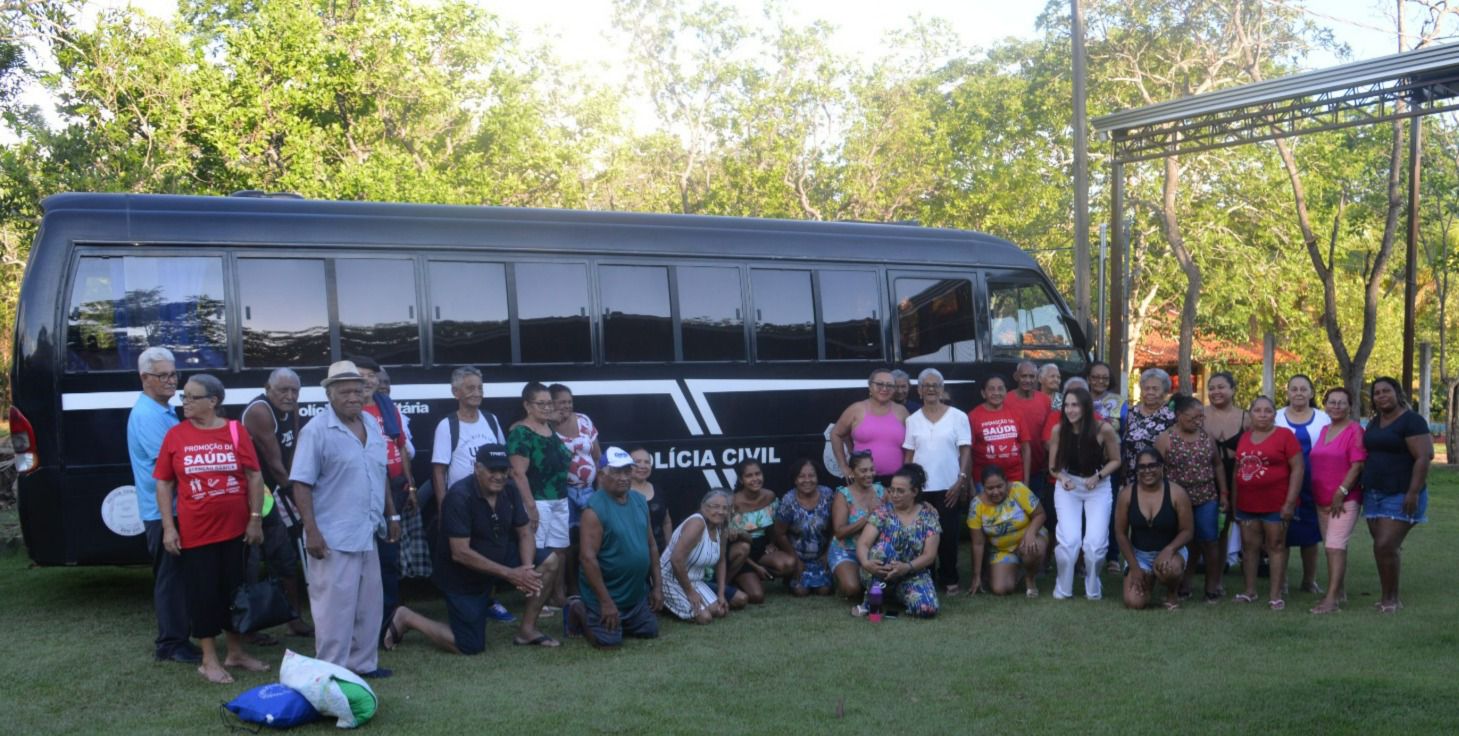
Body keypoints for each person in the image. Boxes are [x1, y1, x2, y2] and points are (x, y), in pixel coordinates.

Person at [384, 444, 563, 653]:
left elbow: (524, 532)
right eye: (492, 470)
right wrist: (512, 574)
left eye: (503, 470)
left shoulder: (510, 489)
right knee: (468, 646)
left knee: (550, 561)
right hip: (462, 573)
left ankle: (528, 630)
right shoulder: (459, 496)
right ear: (477, 468)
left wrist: (526, 569)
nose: (498, 476)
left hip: (500, 556)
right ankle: (407, 617)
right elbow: (460, 553)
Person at [153, 374, 269, 683]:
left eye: (192, 397)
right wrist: (168, 528)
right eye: (184, 397)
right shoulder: (176, 436)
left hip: (235, 531)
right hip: (196, 533)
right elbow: (164, 483)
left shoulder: (235, 431)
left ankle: (236, 652)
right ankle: (208, 659)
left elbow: (254, 476)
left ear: (213, 401)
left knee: (234, 592)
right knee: (203, 594)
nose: (185, 402)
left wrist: (254, 518)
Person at [291, 360, 400, 678]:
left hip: (367, 530)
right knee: (334, 610)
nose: (354, 396)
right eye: (345, 391)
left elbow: (379, 472)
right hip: (332, 535)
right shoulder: (316, 431)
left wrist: (390, 512)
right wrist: (310, 530)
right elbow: (301, 483)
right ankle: (332, 671)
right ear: (330, 394)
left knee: (369, 606)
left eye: (358, 389)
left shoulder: (371, 423)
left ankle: (363, 666)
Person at [125, 347, 198, 664]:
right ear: (145, 378)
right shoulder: (148, 415)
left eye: (173, 374)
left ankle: (180, 638)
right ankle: (170, 644)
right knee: (170, 579)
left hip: (175, 509)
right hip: (163, 512)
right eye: (163, 376)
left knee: (180, 577)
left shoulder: (163, 409)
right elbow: (172, 467)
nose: (172, 382)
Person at [429, 366, 513, 623]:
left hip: (491, 501)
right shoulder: (447, 426)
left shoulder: (490, 420)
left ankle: (491, 599)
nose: (477, 393)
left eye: (479, 387)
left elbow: (501, 456)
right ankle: (471, 601)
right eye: (470, 388)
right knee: (467, 553)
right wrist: (444, 507)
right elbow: (439, 470)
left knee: (492, 549)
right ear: (456, 392)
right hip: (463, 502)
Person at [567, 447, 664, 648]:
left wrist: (658, 587)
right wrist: (605, 602)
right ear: (602, 475)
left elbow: (651, 545)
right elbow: (587, 559)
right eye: (616, 472)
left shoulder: (639, 500)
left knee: (650, 631)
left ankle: (624, 618)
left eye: (627, 471)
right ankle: (579, 609)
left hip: (634, 596)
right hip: (607, 596)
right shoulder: (593, 510)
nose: (623, 477)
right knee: (608, 643)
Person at [241, 367, 312, 638]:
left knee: (285, 557)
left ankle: (293, 620)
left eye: (295, 390)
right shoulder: (260, 412)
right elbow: (275, 465)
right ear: (268, 389)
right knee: (253, 559)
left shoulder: (292, 407)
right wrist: (302, 503)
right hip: (256, 495)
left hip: (277, 491)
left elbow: (292, 454)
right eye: (283, 390)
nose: (290, 395)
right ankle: (249, 625)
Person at [1362, 377, 1435, 614]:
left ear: (1397, 393)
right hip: (1373, 493)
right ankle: (1387, 596)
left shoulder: (1412, 421)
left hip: (1401, 493)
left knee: (1385, 545)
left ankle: (1391, 600)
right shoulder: (1375, 422)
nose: (1381, 396)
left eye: (1386, 391)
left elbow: (1424, 457)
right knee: (1384, 548)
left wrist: (1413, 492)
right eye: (1377, 393)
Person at [900, 368, 971, 594]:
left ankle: (949, 577)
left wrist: (961, 481)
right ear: (919, 391)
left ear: (942, 389)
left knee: (949, 535)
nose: (931, 389)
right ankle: (926, 578)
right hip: (921, 490)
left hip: (949, 487)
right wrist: (909, 487)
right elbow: (909, 456)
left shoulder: (959, 416)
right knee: (923, 537)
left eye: (936, 385)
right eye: (926, 386)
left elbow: (965, 450)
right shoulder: (912, 420)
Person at [1047, 387, 1121, 601]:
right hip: (1069, 486)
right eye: (1067, 405)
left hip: (1097, 486)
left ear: (1086, 407)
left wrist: (1098, 477)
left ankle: (1093, 586)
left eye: (1075, 405)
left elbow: (1116, 460)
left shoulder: (1103, 429)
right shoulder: (1059, 431)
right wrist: (1062, 478)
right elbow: (1053, 466)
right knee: (1069, 541)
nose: (1070, 410)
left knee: (1095, 545)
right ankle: (1063, 588)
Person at [1154, 394, 1229, 602]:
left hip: (1206, 496)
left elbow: (1217, 465)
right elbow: (1155, 469)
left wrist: (1223, 492)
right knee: (1184, 542)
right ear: (1179, 415)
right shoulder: (1165, 438)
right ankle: (1183, 583)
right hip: (1177, 499)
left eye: (1200, 418)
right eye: (1192, 418)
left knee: (1209, 539)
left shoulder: (1207, 437)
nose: (1197, 422)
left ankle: (1212, 586)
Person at [1231, 396, 1303, 610]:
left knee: (1276, 546)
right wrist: (1235, 503)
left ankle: (1275, 595)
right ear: (1250, 413)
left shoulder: (1285, 436)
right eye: (1258, 410)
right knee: (1249, 548)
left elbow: (1298, 468)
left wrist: (1290, 503)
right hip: (1247, 503)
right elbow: (1237, 470)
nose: (1262, 414)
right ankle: (1250, 591)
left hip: (1276, 503)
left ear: (1274, 414)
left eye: (1267, 411)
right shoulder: (1245, 437)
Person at [853, 464, 941, 618]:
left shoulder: (929, 516)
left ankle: (892, 594)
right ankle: (869, 603)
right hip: (877, 571)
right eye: (892, 490)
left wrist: (907, 567)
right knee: (884, 549)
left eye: (900, 491)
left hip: (912, 573)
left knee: (927, 608)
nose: (894, 494)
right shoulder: (883, 512)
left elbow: (929, 555)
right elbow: (864, 543)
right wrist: (867, 564)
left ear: (914, 492)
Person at [1308, 388, 1366, 614]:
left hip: (1343, 499)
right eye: (1332, 402)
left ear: (1350, 406)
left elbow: (1357, 465)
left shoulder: (1355, 430)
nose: (1336, 406)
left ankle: (1331, 601)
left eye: (1342, 403)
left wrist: (1341, 492)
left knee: (1334, 546)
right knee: (1333, 547)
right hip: (1321, 498)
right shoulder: (1325, 429)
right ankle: (1338, 592)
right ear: (1325, 404)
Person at [1113, 448, 1194, 610]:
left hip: (1171, 552)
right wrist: (1135, 567)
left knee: (1170, 569)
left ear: (1161, 467)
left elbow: (1188, 531)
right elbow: (1121, 534)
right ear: (1136, 470)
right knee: (1134, 603)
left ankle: (1172, 593)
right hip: (1140, 556)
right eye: (1142, 467)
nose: (1147, 471)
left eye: (1152, 466)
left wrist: (1170, 549)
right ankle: (1148, 579)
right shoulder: (1127, 494)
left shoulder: (1177, 493)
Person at [1274, 375, 1329, 595]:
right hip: (1281, 485)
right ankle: (1282, 581)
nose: (1298, 393)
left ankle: (1309, 581)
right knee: (1282, 535)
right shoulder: (1276, 416)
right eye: (1294, 389)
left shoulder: (1324, 418)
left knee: (1310, 536)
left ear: (1311, 393)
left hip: (1313, 485)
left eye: (1303, 389)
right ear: (1287, 392)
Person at [661, 490, 748, 623]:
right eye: (715, 506)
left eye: (725, 508)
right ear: (703, 507)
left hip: (695, 580)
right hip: (670, 578)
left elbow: (721, 560)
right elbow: (676, 560)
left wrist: (721, 593)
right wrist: (690, 592)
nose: (721, 511)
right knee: (704, 617)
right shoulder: (697, 523)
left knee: (720, 611)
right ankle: (664, 601)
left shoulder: (722, 527)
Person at [508, 382, 573, 553]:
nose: (546, 408)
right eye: (541, 404)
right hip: (538, 502)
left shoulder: (549, 427)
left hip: (560, 499)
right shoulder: (521, 433)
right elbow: (517, 473)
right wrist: (531, 508)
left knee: (559, 553)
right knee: (541, 556)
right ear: (527, 405)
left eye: (549, 403)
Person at [726, 459, 799, 604]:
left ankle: (754, 576)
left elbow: (773, 525)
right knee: (757, 597)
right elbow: (729, 541)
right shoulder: (732, 503)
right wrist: (756, 567)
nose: (755, 479)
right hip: (739, 554)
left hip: (760, 550)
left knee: (789, 563)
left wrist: (772, 543)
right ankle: (734, 578)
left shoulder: (769, 496)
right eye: (749, 476)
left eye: (757, 474)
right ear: (741, 479)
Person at [966, 466, 1047, 597]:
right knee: (1001, 589)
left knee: (1033, 549)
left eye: (999, 486)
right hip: (1002, 549)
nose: (996, 492)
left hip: (1028, 536)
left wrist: (1030, 533)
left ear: (1006, 481)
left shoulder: (1018, 489)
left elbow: (1040, 514)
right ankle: (1017, 569)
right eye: (990, 488)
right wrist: (976, 576)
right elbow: (978, 544)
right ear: (983, 487)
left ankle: (1030, 578)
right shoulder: (976, 505)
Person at [1203, 371, 1250, 570]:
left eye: (1221, 387)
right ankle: (1213, 568)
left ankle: (1246, 568)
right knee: (1214, 526)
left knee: (1241, 524)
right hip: (1206, 474)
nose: (1216, 392)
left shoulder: (1246, 417)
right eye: (1211, 388)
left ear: (1232, 389)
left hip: (1238, 475)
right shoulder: (1199, 415)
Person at [830, 368, 909, 484]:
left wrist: (908, 472)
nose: (884, 388)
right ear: (870, 386)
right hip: (863, 481)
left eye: (890, 385)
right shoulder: (856, 409)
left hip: (895, 482)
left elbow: (912, 444)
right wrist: (844, 467)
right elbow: (835, 434)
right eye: (880, 384)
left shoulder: (902, 412)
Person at [770, 458, 835, 596]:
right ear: (795, 480)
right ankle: (791, 575)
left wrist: (827, 554)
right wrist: (796, 560)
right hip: (797, 556)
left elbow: (835, 527)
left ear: (817, 477)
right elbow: (780, 533)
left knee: (824, 590)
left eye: (811, 475)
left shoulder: (828, 495)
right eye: (801, 476)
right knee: (801, 592)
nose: (807, 480)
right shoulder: (788, 501)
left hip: (821, 556)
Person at [829, 451, 886, 601]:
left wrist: (924, 504)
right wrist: (868, 517)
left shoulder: (881, 491)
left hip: (873, 551)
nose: (869, 474)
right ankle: (840, 577)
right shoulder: (843, 495)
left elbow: (902, 506)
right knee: (853, 589)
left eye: (871, 469)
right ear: (852, 472)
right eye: (863, 470)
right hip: (846, 550)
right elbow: (839, 532)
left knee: (882, 588)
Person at [1005, 361, 1054, 503]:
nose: (1028, 380)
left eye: (1031, 376)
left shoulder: (1044, 400)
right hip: (1013, 468)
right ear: (1016, 376)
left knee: (1035, 507)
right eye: (1024, 376)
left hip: (1039, 467)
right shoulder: (1006, 399)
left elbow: (1048, 430)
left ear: (1037, 377)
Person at [968, 375, 1030, 484]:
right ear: (983, 393)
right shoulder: (973, 417)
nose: (996, 393)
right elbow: (967, 453)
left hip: (1015, 478)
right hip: (985, 482)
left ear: (1006, 392)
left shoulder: (1017, 414)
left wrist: (1026, 481)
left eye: (1000, 389)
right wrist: (971, 485)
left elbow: (1026, 448)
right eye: (991, 389)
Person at [629, 447, 672, 555]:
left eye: (647, 462)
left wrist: (669, 549)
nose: (642, 466)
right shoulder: (621, 492)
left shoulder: (658, 490)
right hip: (632, 554)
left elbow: (666, 522)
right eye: (637, 462)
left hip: (660, 552)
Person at [1088, 361, 1122, 435]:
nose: (1100, 381)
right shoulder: (1080, 400)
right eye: (1095, 377)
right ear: (1088, 379)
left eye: (1105, 378)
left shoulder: (1120, 402)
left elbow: (1124, 431)